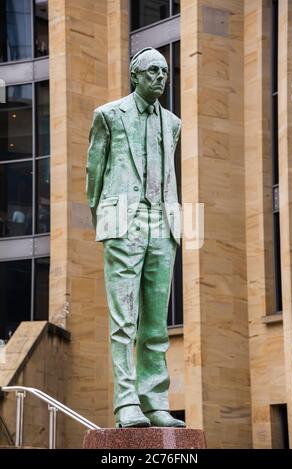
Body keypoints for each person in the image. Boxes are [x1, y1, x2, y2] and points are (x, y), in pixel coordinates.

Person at [86, 47, 184, 428]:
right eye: (153, 71)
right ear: (135, 76)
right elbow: (94, 172)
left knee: (156, 324)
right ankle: (127, 402)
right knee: (124, 320)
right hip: (124, 223)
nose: (161, 77)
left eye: (164, 72)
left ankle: (155, 401)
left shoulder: (173, 123)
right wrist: (106, 219)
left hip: (163, 224)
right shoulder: (109, 115)